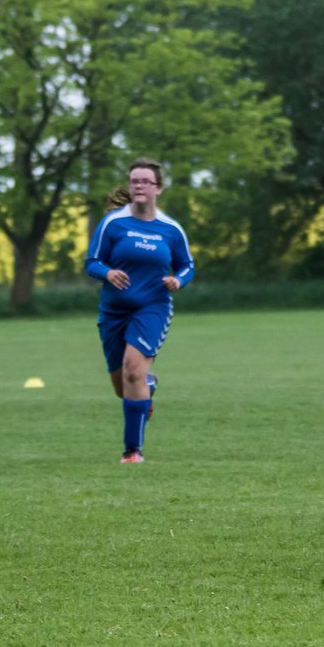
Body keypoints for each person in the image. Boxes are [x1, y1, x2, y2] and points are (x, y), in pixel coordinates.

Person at [86, 158, 194, 464]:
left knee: (133, 369)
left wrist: (178, 280)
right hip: (113, 311)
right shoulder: (113, 223)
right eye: (134, 181)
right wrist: (106, 273)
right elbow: (91, 262)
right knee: (124, 388)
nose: (139, 186)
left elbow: (188, 265)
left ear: (158, 188)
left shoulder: (171, 229)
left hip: (152, 307)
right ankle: (148, 386)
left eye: (145, 181)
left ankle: (132, 451)